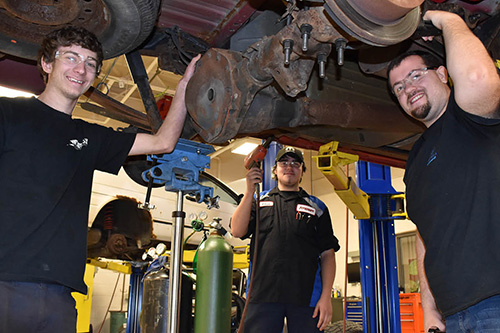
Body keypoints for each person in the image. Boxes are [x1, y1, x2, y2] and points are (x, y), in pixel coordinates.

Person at [0, 26, 200, 332]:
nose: (80, 69)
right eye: (71, 57)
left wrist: (185, 86)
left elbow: (163, 143)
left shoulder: (87, 137)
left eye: (90, 63)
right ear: (46, 63)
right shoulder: (8, 113)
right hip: (6, 287)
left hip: (60, 299)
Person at [387, 10, 500, 332]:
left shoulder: (471, 118)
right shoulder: (416, 159)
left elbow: (478, 77)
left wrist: (446, 19)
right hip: (454, 313)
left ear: (442, 73)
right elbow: (425, 235)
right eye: (398, 88)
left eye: (415, 76)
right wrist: (429, 305)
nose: (407, 89)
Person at [231, 146, 340, 332]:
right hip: (262, 295)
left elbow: (328, 254)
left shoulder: (317, 207)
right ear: (275, 170)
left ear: (302, 171)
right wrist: (249, 192)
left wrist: (326, 298)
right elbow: (236, 230)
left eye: (295, 164)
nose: (289, 167)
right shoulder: (259, 201)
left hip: (306, 297)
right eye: (284, 163)